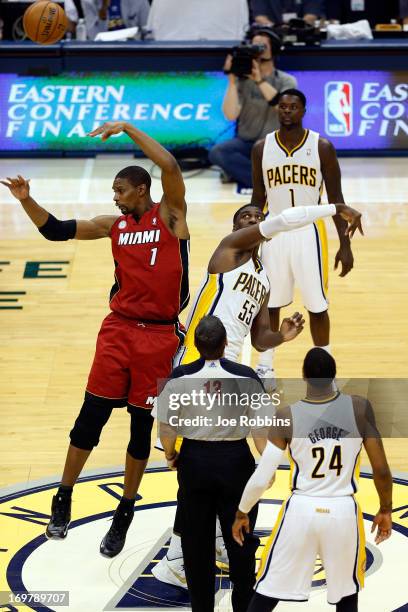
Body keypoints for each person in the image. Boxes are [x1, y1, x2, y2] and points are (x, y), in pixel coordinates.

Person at [1, 121, 189, 558]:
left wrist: (127, 128)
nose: (115, 196)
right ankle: (62, 497)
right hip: (119, 331)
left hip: (160, 336)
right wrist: (28, 201)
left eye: (121, 189)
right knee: (90, 418)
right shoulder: (113, 226)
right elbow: (56, 230)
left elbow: (171, 163)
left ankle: (125, 509)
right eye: (114, 191)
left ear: (142, 190)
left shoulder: (171, 216)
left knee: (141, 430)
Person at [153, 200, 363, 587]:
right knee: (201, 462)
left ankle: (215, 540)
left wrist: (281, 337)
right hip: (200, 360)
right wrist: (334, 207)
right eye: (244, 218)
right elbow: (284, 220)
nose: (252, 220)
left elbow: (259, 335)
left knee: (221, 460)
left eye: (255, 217)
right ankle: (176, 557)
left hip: (232, 368)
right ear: (238, 228)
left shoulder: (264, 279)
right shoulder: (229, 250)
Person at [232, 347, 393, 611]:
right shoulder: (360, 409)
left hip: (301, 510)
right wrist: (385, 508)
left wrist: (242, 511)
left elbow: (263, 475)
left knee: (266, 593)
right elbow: (382, 469)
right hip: (342, 511)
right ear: (334, 376)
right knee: (346, 598)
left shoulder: (287, 417)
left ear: (303, 376)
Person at [157, 315, 271, 612]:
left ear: (196, 345)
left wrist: (171, 455)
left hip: (194, 463)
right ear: (225, 344)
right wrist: (266, 466)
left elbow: (166, 428)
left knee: (197, 546)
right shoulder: (247, 377)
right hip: (236, 463)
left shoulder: (179, 377)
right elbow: (261, 432)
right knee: (240, 542)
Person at [252, 88, 358, 384]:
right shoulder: (262, 147)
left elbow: (337, 198)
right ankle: (265, 365)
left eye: (293, 106)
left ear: (303, 110)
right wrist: (248, 238)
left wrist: (345, 244)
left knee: (317, 305)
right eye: (283, 106)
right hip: (274, 232)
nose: (287, 111)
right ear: (277, 110)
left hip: (308, 233)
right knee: (271, 303)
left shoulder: (321, 146)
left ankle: (324, 369)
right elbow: (257, 197)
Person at [208, 28, 297, 189]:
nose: (258, 50)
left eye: (263, 46)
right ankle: (265, 181)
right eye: (254, 46)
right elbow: (230, 114)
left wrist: (260, 81)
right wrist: (232, 81)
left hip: (275, 144)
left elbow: (286, 109)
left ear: (274, 50)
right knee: (218, 152)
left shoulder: (286, 80)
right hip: (245, 143)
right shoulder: (242, 81)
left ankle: (245, 174)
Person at [64, 0, 150, 40]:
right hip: (103, 52)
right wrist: (103, 9)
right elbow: (93, 37)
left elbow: (147, 31)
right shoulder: (89, 2)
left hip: (132, 50)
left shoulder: (139, 1)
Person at [251, 0, 323, 26]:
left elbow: (311, 15)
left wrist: (294, 28)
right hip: (272, 36)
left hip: (301, 33)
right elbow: (260, 17)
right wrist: (276, 29)